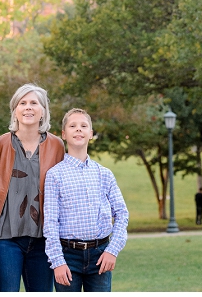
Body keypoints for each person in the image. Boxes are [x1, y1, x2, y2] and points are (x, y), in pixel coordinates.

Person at [0, 83, 65, 292]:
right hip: (4, 238)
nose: (28, 107)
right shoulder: (0, 144)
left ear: (43, 111)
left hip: (43, 240)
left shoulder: (57, 145)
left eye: (34, 103)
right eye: (22, 103)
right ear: (15, 110)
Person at [43, 108, 128, 292]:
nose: (78, 129)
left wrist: (112, 250)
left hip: (100, 254)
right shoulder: (55, 175)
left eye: (83, 126)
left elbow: (122, 213)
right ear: (64, 135)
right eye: (73, 126)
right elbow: (50, 222)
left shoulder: (104, 174)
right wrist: (57, 262)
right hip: (68, 256)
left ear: (91, 133)